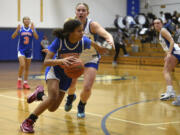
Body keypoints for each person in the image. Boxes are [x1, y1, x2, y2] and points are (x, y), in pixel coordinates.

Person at [20, 19, 108, 133]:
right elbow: (46, 62)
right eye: (79, 31)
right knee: (53, 96)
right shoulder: (60, 41)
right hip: (54, 70)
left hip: (67, 75)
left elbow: (92, 43)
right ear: (70, 32)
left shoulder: (83, 41)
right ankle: (28, 121)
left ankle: (40, 94)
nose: (82, 33)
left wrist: (100, 48)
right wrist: (62, 60)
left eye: (82, 30)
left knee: (52, 108)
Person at [64, 3, 115, 118]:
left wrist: (109, 39)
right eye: (79, 10)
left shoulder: (92, 25)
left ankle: (81, 105)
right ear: (75, 12)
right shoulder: (70, 24)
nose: (81, 12)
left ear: (88, 13)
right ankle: (71, 97)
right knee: (71, 85)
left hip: (91, 58)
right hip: (75, 58)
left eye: (83, 10)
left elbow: (105, 33)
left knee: (87, 87)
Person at [153, 18, 180, 106]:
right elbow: (167, 45)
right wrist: (167, 54)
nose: (156, 24)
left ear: (162, 23)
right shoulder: (160, 32)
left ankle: (170, 93)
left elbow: (172, 41)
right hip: (174, 52)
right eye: (155, 23)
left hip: (174, 53)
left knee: (166, 71)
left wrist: (169, 53)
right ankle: (170, 92)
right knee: (166, 71)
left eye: (158, 23)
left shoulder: (163, 31)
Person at [12, 16, 39, 89]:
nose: (27, 20)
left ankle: (25, 83)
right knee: (22, 65)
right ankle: (19, 80)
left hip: (29, 50)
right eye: (25, 19)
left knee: (27, 68)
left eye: (28, 19)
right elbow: (13, 36)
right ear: (23, 21)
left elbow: (36, 37)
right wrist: (16, 30)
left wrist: (34, 30)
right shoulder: (20, 28)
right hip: (21, 50)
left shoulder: (32, 29)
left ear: (29, 21)